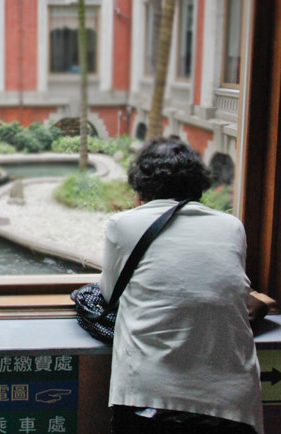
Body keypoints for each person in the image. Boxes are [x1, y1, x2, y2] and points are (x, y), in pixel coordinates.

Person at [99, 136, 263, 434]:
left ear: (140, 188)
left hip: (148, 395)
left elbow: (110, 294)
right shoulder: (232, 226)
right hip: (232, 401)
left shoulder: (123, 225)